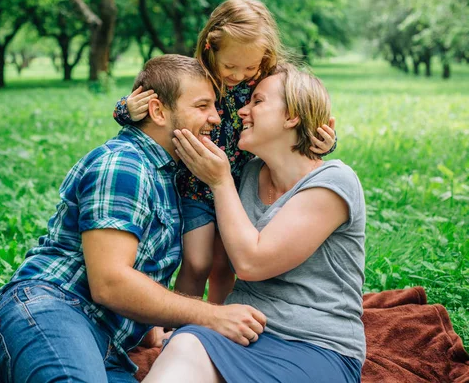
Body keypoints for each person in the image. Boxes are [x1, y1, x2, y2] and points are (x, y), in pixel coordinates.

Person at [0, 54, 267, 383]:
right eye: (202, 106)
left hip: (106, 344)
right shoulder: (123, 164)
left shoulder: (170, 177)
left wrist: (143, 326)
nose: (216, 119)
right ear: (158, 111)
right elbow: (110, 283)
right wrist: (213, 316)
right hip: (51, 309)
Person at [144, 64, 366, 383]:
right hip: (238, 332)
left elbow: (251, 262)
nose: (243, 111)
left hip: (315, 346)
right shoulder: (249, 174)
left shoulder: (334, 181)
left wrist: (220, 182)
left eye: (258, 101)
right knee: (184, 346)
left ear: (292, 116)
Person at [114, 0, 337, 303]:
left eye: (250, 66)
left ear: (265, 57)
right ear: (210, 47)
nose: (238, 75)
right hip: (196, 184)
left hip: (242, 186)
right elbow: (153, 102)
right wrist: (125, 108)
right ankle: (177, 324)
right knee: (197, 261)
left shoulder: (270, 80)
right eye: (230, 65)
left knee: (224, 264)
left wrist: (323, 140)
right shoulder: (194, 77)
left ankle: (221, 318)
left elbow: (302, 110)